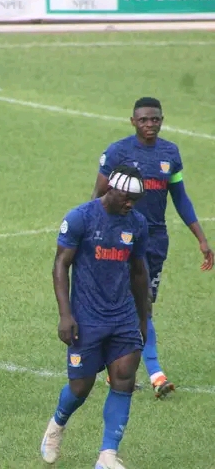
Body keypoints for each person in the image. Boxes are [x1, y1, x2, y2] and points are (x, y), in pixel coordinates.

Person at [91, 97, 213, 397]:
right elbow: (98, 195)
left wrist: (200, 237)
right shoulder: (118, 152)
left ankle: (117, 366)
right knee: (139, 303)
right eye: (144, 119)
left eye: (155, 119)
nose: (150, 124)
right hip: (121, 237)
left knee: (141, 305)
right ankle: (156, 374)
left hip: (156, 240)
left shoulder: (170, 154)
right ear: (133, 121)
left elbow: (180, 197)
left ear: (162, 120)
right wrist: (95, 233)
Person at [41, 165, 151, 468]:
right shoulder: (81, 218)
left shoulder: (137, 224)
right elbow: (61, 264)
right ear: (111, 188)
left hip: (123, 316)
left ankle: (107, 455)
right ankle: (57, 425)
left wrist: (143, 319)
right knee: (80, 387)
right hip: (86, 317)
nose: (130, 204)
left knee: (124, 379)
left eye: (135, 200)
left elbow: (138, 272)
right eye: (126, 197)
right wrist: (65, 315)